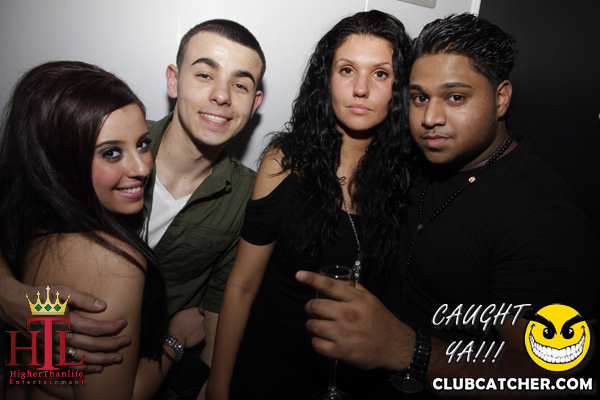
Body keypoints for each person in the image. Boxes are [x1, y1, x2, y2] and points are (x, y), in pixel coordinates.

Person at [296, 12, 600, 398]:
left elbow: (549, 378)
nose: (430, 118)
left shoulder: (545, 218)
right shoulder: (414, 163)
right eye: (420, 98)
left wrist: (408, 350)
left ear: (501, 98)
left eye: (456, 97)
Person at [0, 19, 265, 399]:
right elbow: (20, 202)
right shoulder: (100, 136)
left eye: (240, 84)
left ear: (254, 103)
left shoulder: (246, 196)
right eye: (205, 75)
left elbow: (220, 306)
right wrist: (7, 294)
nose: (221, 95)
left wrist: (210, 387)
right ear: (173, 81)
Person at [206, 10, 414, 400]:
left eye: (380, 74)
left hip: (354, 382)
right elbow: (242, 285)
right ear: (326, 78)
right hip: (268, 375)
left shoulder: (407, 176)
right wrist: (218, 386)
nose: (361, 89)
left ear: (400, 87)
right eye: (347, 70)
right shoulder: (285, 162)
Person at [0, 61, 205, 400]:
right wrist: (176, 338)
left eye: (142, 144)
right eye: (111, 153)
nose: (142, 168)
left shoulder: (21, 218)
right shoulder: (113, 262)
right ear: (59, 159)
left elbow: (44, 371)